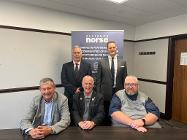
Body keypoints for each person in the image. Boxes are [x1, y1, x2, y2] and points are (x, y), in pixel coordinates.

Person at [96, 41, 127, 125]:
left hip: (119, 91)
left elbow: (125, 78)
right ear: (107, 49)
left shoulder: (123, 61)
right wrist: (98, 93)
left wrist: (125, 91)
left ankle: (117, 126)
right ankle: (106, 128)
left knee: (117, 110)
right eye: (110, 48)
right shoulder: (101, 61)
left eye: (113, 47)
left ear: (116, 48)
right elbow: (98, 79)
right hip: (105, 92)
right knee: (106, 111)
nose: (112, 49)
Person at [61, 46, 92, 124]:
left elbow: (89, 80)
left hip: (83, 94)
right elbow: (64, 81)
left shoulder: (87, 65)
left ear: (81, 54)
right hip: (69, 95)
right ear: (72, 54)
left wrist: (81, 89)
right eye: (75, 53)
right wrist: (74, 89)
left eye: (78, 53)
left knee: (82, 114)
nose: (76, 54)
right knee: (70, 115)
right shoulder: (65, 66)